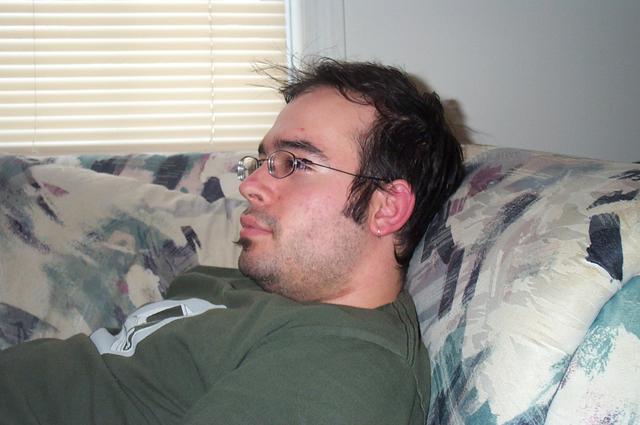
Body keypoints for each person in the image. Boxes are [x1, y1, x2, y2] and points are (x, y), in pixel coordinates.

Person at [0, 58, 464, 424]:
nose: (249, 185)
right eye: (263, 161)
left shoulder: (342, 364)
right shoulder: (278, 287)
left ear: (386, 208)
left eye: (296, 163)